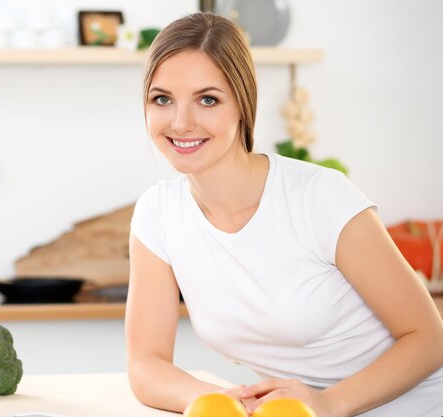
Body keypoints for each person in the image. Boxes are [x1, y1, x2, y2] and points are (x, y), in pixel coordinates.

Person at [125, 12, 443, 417]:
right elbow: (146, 364)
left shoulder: (319, 196)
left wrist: (328, 403)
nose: (181, 122)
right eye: (162, 99)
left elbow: (429, 338)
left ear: (242, 104)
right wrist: (216, 401)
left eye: (208, 99)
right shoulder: (158, 214)